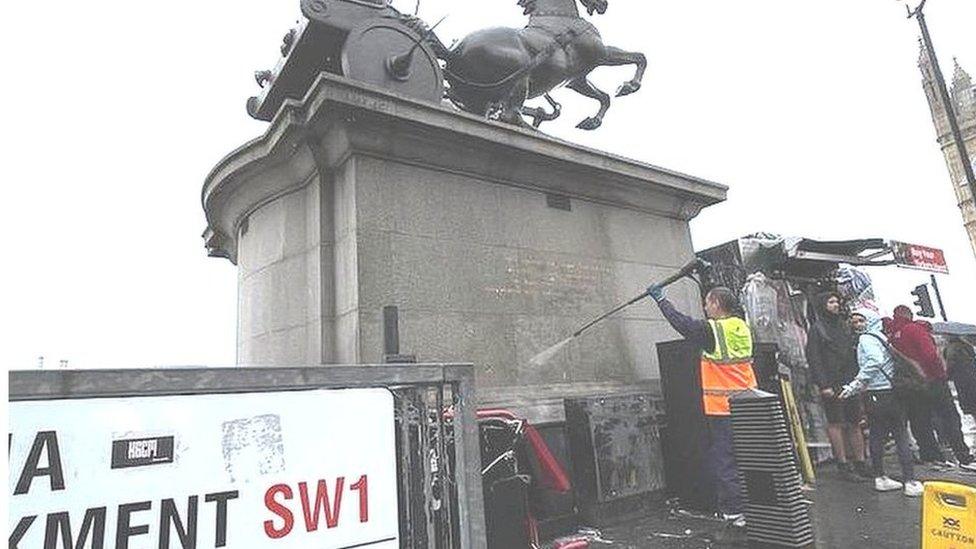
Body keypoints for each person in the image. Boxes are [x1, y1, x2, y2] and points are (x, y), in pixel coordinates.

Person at [647, 284, 757, 523]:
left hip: (723, 408)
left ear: (716, 304)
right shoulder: (741, 326)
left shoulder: (713, 331)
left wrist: (662, 300)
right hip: (749, 405)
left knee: (725, 460)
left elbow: (683, 324)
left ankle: (734, 512)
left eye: (707, 302)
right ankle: (753, 505)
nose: (705, 307)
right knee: (746, 457)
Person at [840, 309, 922, 497]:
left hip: (875, 393)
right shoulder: (877, 338)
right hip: (887, 392)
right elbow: (876, 360)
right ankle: (909, 480)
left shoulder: (867, 339)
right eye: (855, 321)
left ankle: (881, 477)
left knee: (878, 434)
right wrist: (857, 383)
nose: (858, 324)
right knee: (899, 433)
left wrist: (856, 384)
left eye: (861, 320)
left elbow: (873, 361)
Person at [887, 306, 973, 467]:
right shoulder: (915, 330)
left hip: (910, 384)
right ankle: (963, 456)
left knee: (921, 420)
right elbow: (929, 354)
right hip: (932, 380)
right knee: (949, 418)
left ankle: (932, 456)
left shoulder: (893, 336)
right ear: (909, 315)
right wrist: (939, 372)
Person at [804, 292, 870, 481]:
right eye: (831, 302)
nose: (835, 305)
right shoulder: (818, 330)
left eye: (836, 302)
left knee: (855, 422)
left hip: (850, 381)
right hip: (832, 383)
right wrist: (823, 384)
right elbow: (814, 358)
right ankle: (843, 463)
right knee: (836, 423)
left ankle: (860, 461)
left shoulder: (844, 327)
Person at [944, 335, 976, 420]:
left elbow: (950, 363)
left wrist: (947, 376)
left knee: (970, 403)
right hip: (972, 374)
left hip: (961, 378)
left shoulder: (951, 348)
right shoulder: (967, 345)